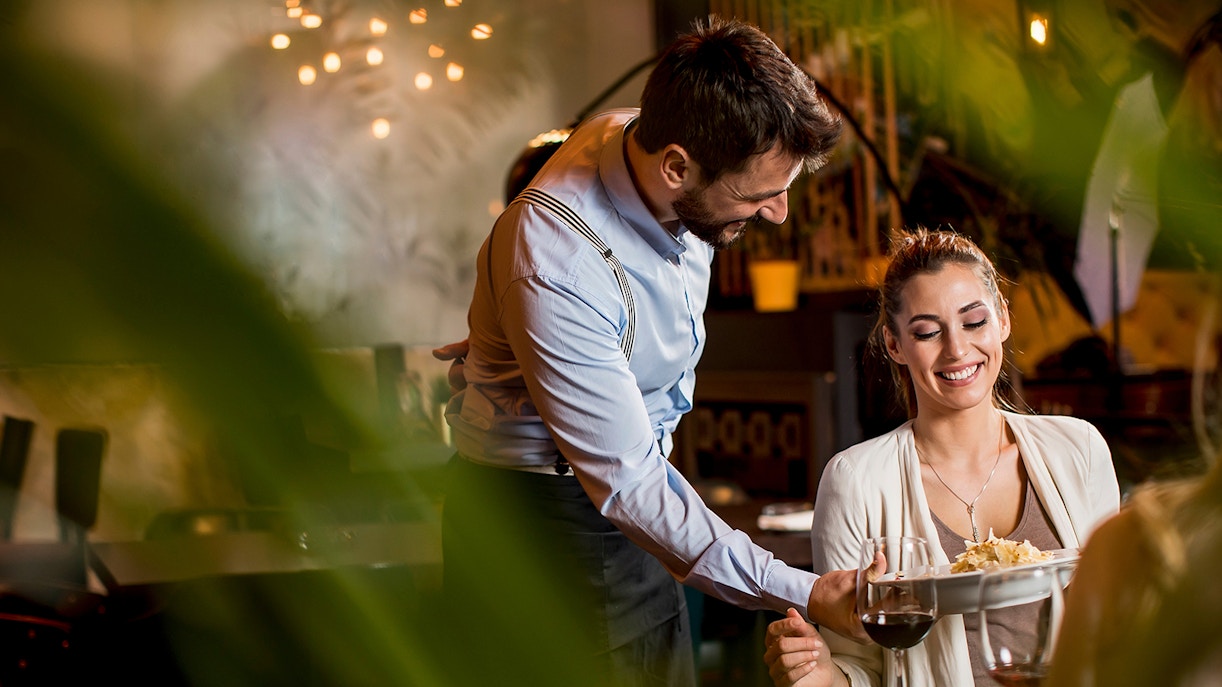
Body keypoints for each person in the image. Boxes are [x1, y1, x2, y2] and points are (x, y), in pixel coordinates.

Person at [435, 15, 862, 687]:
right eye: (761, 193)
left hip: (612, 506)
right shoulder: (555, 261)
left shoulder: (654, 136)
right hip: (545, 534)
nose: (780, 212)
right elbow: (630, 485)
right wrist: (805, 589)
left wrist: (535, 339)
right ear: (676, 168)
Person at [763, 227, 1121, 686]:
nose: (957, 349)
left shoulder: (1079, 450)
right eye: (928, 332)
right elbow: (860, 663)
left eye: (974, 323)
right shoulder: (856, 480)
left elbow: (1115, 620)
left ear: (1003, 320)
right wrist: (820, 675)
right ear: (895, 344)